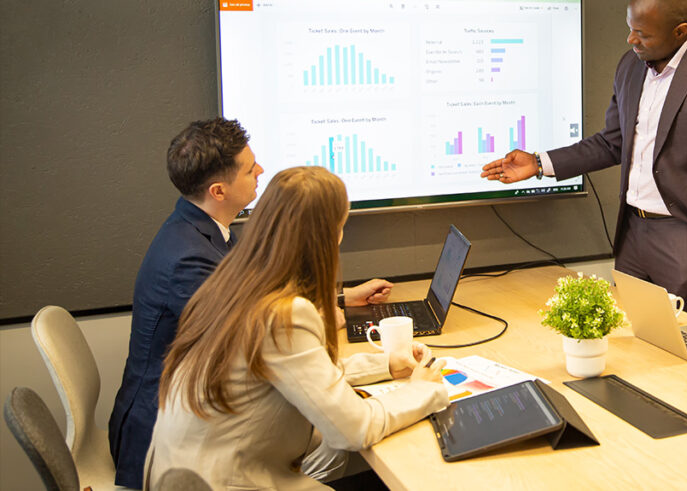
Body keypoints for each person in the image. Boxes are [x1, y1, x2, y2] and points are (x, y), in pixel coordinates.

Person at [109, 118, 393, 488]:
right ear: (219, 190)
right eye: (249, 168)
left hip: (200, 426)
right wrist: (332, 316)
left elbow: (258, 301)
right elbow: (265, 329)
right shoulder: (188, 261)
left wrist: (340, 298)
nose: (260, 170)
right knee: (344, 436)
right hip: (171, 452)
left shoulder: (203, 232)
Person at [481, 0, 687, 323]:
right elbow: (612, 142)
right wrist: (540, 163)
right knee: (633, 344)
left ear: (679, 31)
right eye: (630, 28)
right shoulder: (630, 65)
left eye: (643, 33)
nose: (631, 39)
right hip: (633, 233)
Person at [145, 166, 448, 490]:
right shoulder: (284, 314)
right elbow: (354, 428)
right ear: (329, 235)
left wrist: (386, 364)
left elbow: (299, 370)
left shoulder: (232, 282)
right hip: (229, 480)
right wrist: (423, 390)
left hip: (186, 473)